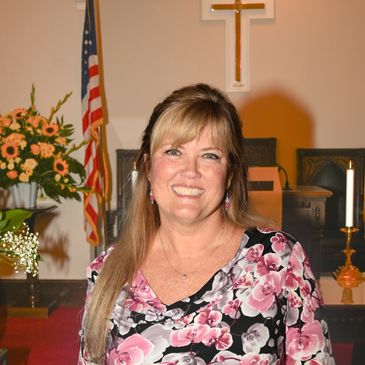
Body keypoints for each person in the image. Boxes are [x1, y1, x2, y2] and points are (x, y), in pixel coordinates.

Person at [78, 83, 335, 364]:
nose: (191, 171)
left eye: (210, 155)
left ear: (229, 176)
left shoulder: (279, 260)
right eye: (174, 152)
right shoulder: (109, 272)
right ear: (149, 168)